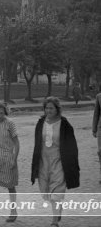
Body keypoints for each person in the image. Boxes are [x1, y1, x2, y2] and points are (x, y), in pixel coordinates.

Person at [31, 97, 80, 227]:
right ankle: (58, 209)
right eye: (46, 108)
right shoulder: (40, 122)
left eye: (51, 108)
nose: (48, 110)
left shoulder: (64, 124)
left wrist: (72, 162)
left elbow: (72, 145)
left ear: (57, 109)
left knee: (56, 190)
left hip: (59, 161)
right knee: (45, 189)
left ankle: (54, 222)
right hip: (43, 161)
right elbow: (37, 143)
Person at [93, 86, 101, 184]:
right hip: (100, 129)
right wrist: (94, 129)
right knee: (100, 152)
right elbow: (96, 113)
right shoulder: (99, 96)